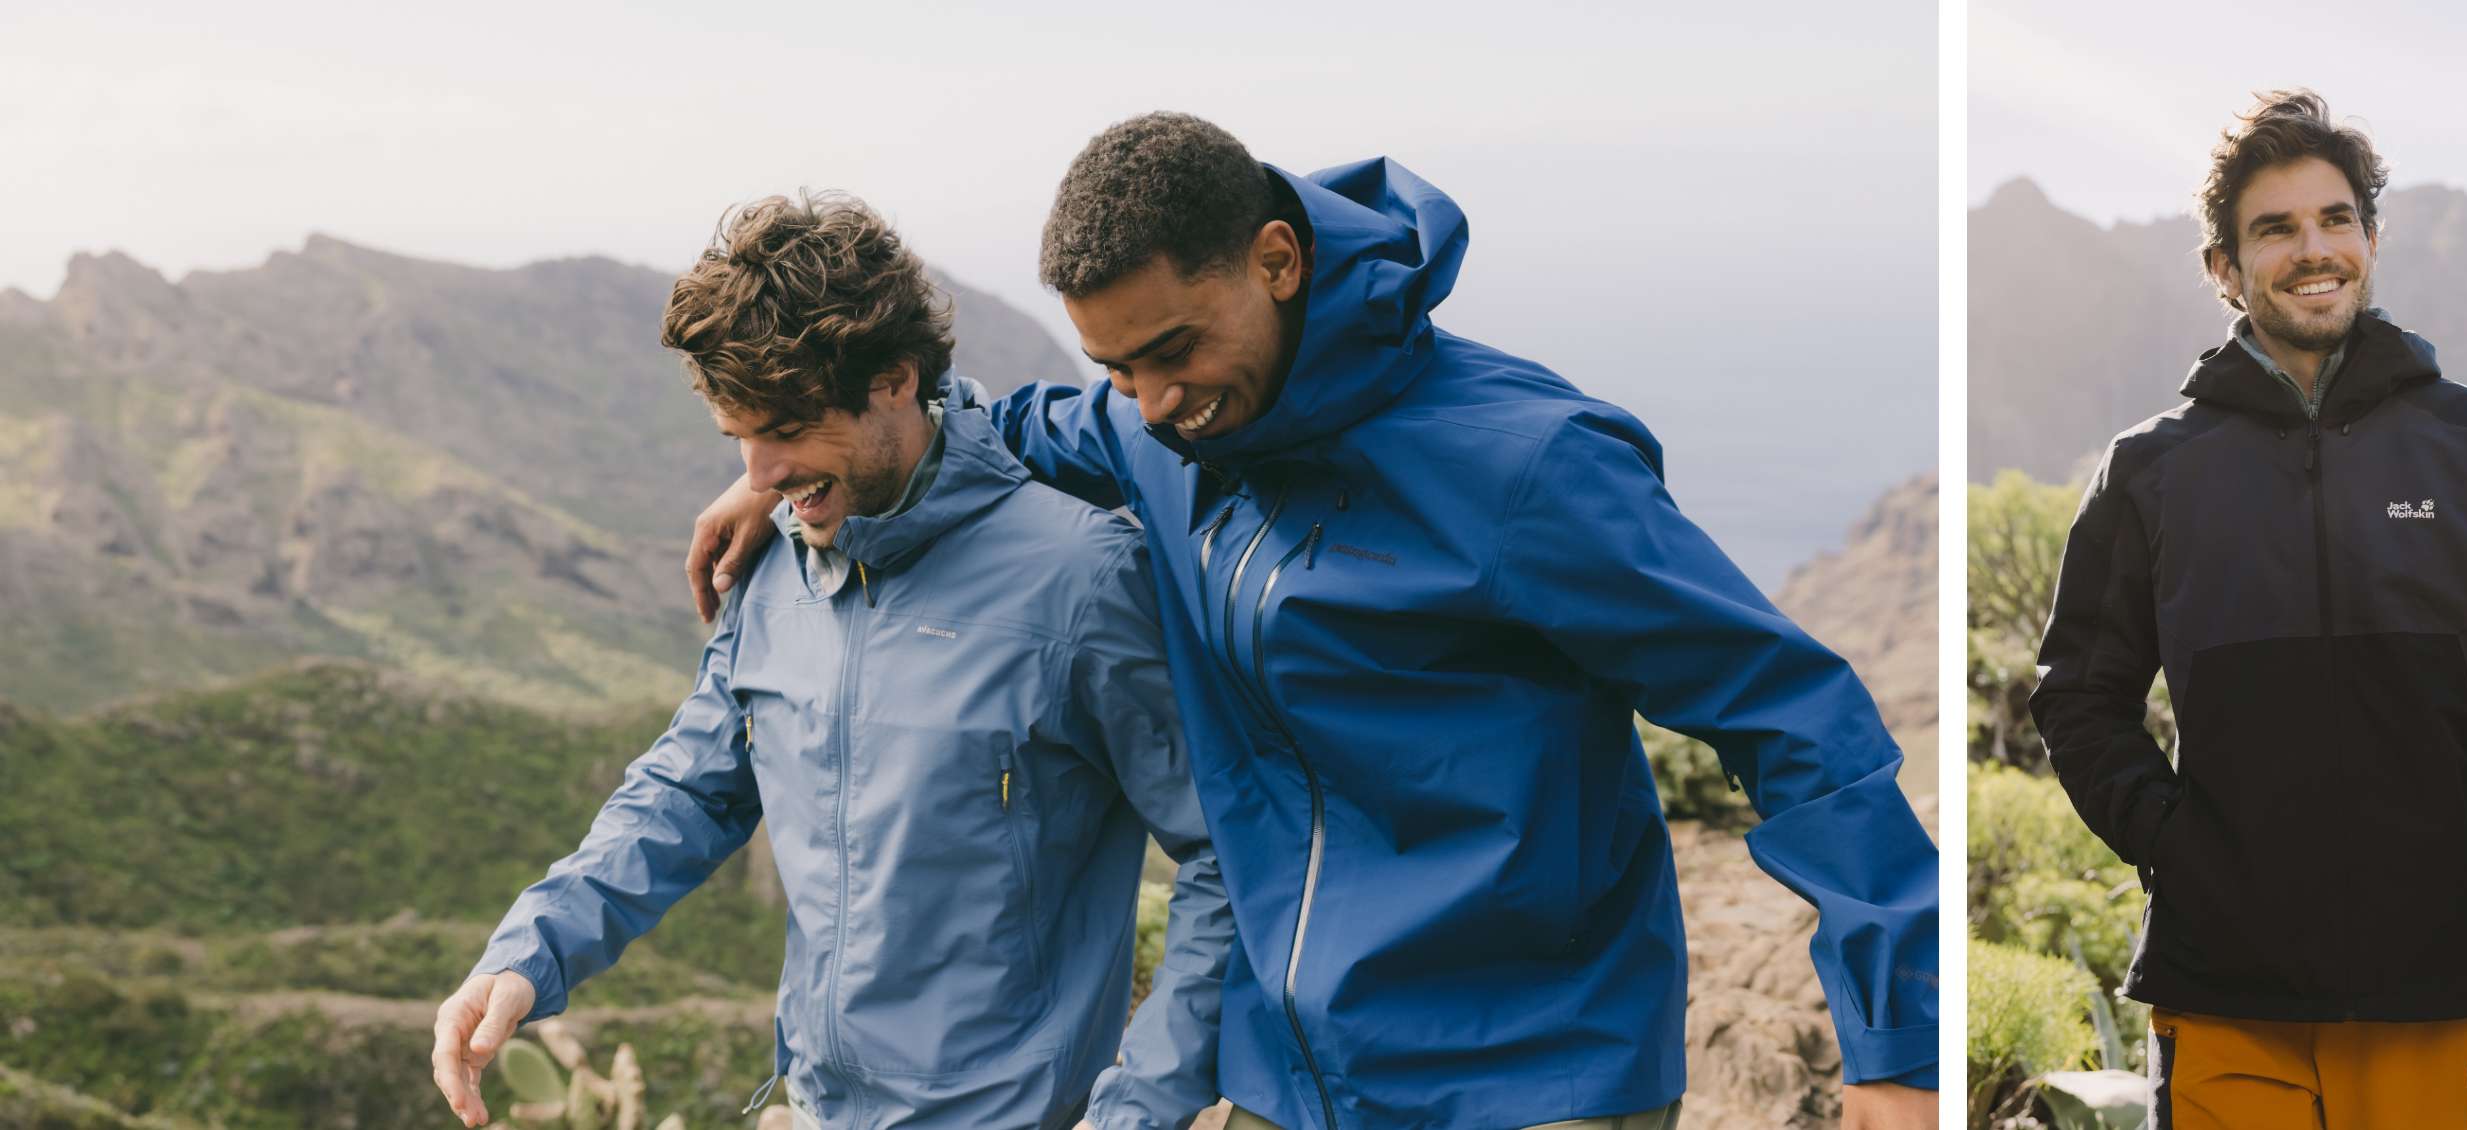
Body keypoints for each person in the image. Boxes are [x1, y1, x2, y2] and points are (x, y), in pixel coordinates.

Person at [688, 112, 1940, 1130]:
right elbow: (999, 427)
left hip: (1527, 1075)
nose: (1157, 399)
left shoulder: (1526, 465)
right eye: (1117, 367)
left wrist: (1898, 1036)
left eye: (1176, 346)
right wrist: (794, 468)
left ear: (1277, 261)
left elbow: (1789, 710)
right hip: (1291, 1078)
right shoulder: (1156, 426)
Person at [430, 193, 1233, 1130]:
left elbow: (1222, 857)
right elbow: (687, 791)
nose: (759, 473)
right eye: (740, 437)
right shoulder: (775, 565)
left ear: (896, 379)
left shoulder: (1085, 579)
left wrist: (1140, 1108)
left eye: (786, 429)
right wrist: (527, 955)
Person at [2030, 89, 2467, 1130]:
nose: (2314, 249)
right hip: (2223, 992)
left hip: (2434, 989)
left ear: (2369, 238)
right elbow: (2079, 698)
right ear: (2225, 268)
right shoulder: (2149, 470)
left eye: (2335, 219)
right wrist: (2180, 843)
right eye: (2276, 229)